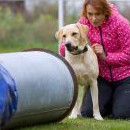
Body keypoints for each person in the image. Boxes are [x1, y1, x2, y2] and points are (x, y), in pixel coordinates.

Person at [59, 0, 130, 119]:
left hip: (125, 77)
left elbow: (129, 54)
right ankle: (115, 100)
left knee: (122, 115)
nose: (93, 19)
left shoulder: (121, 24)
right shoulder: (83, 22)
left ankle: (120, 101)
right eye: (90, 14)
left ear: (106, 12)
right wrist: (66, 46)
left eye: (98, 14)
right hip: (103, 77)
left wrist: (105, 56)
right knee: (87, 113)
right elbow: (68, 38)